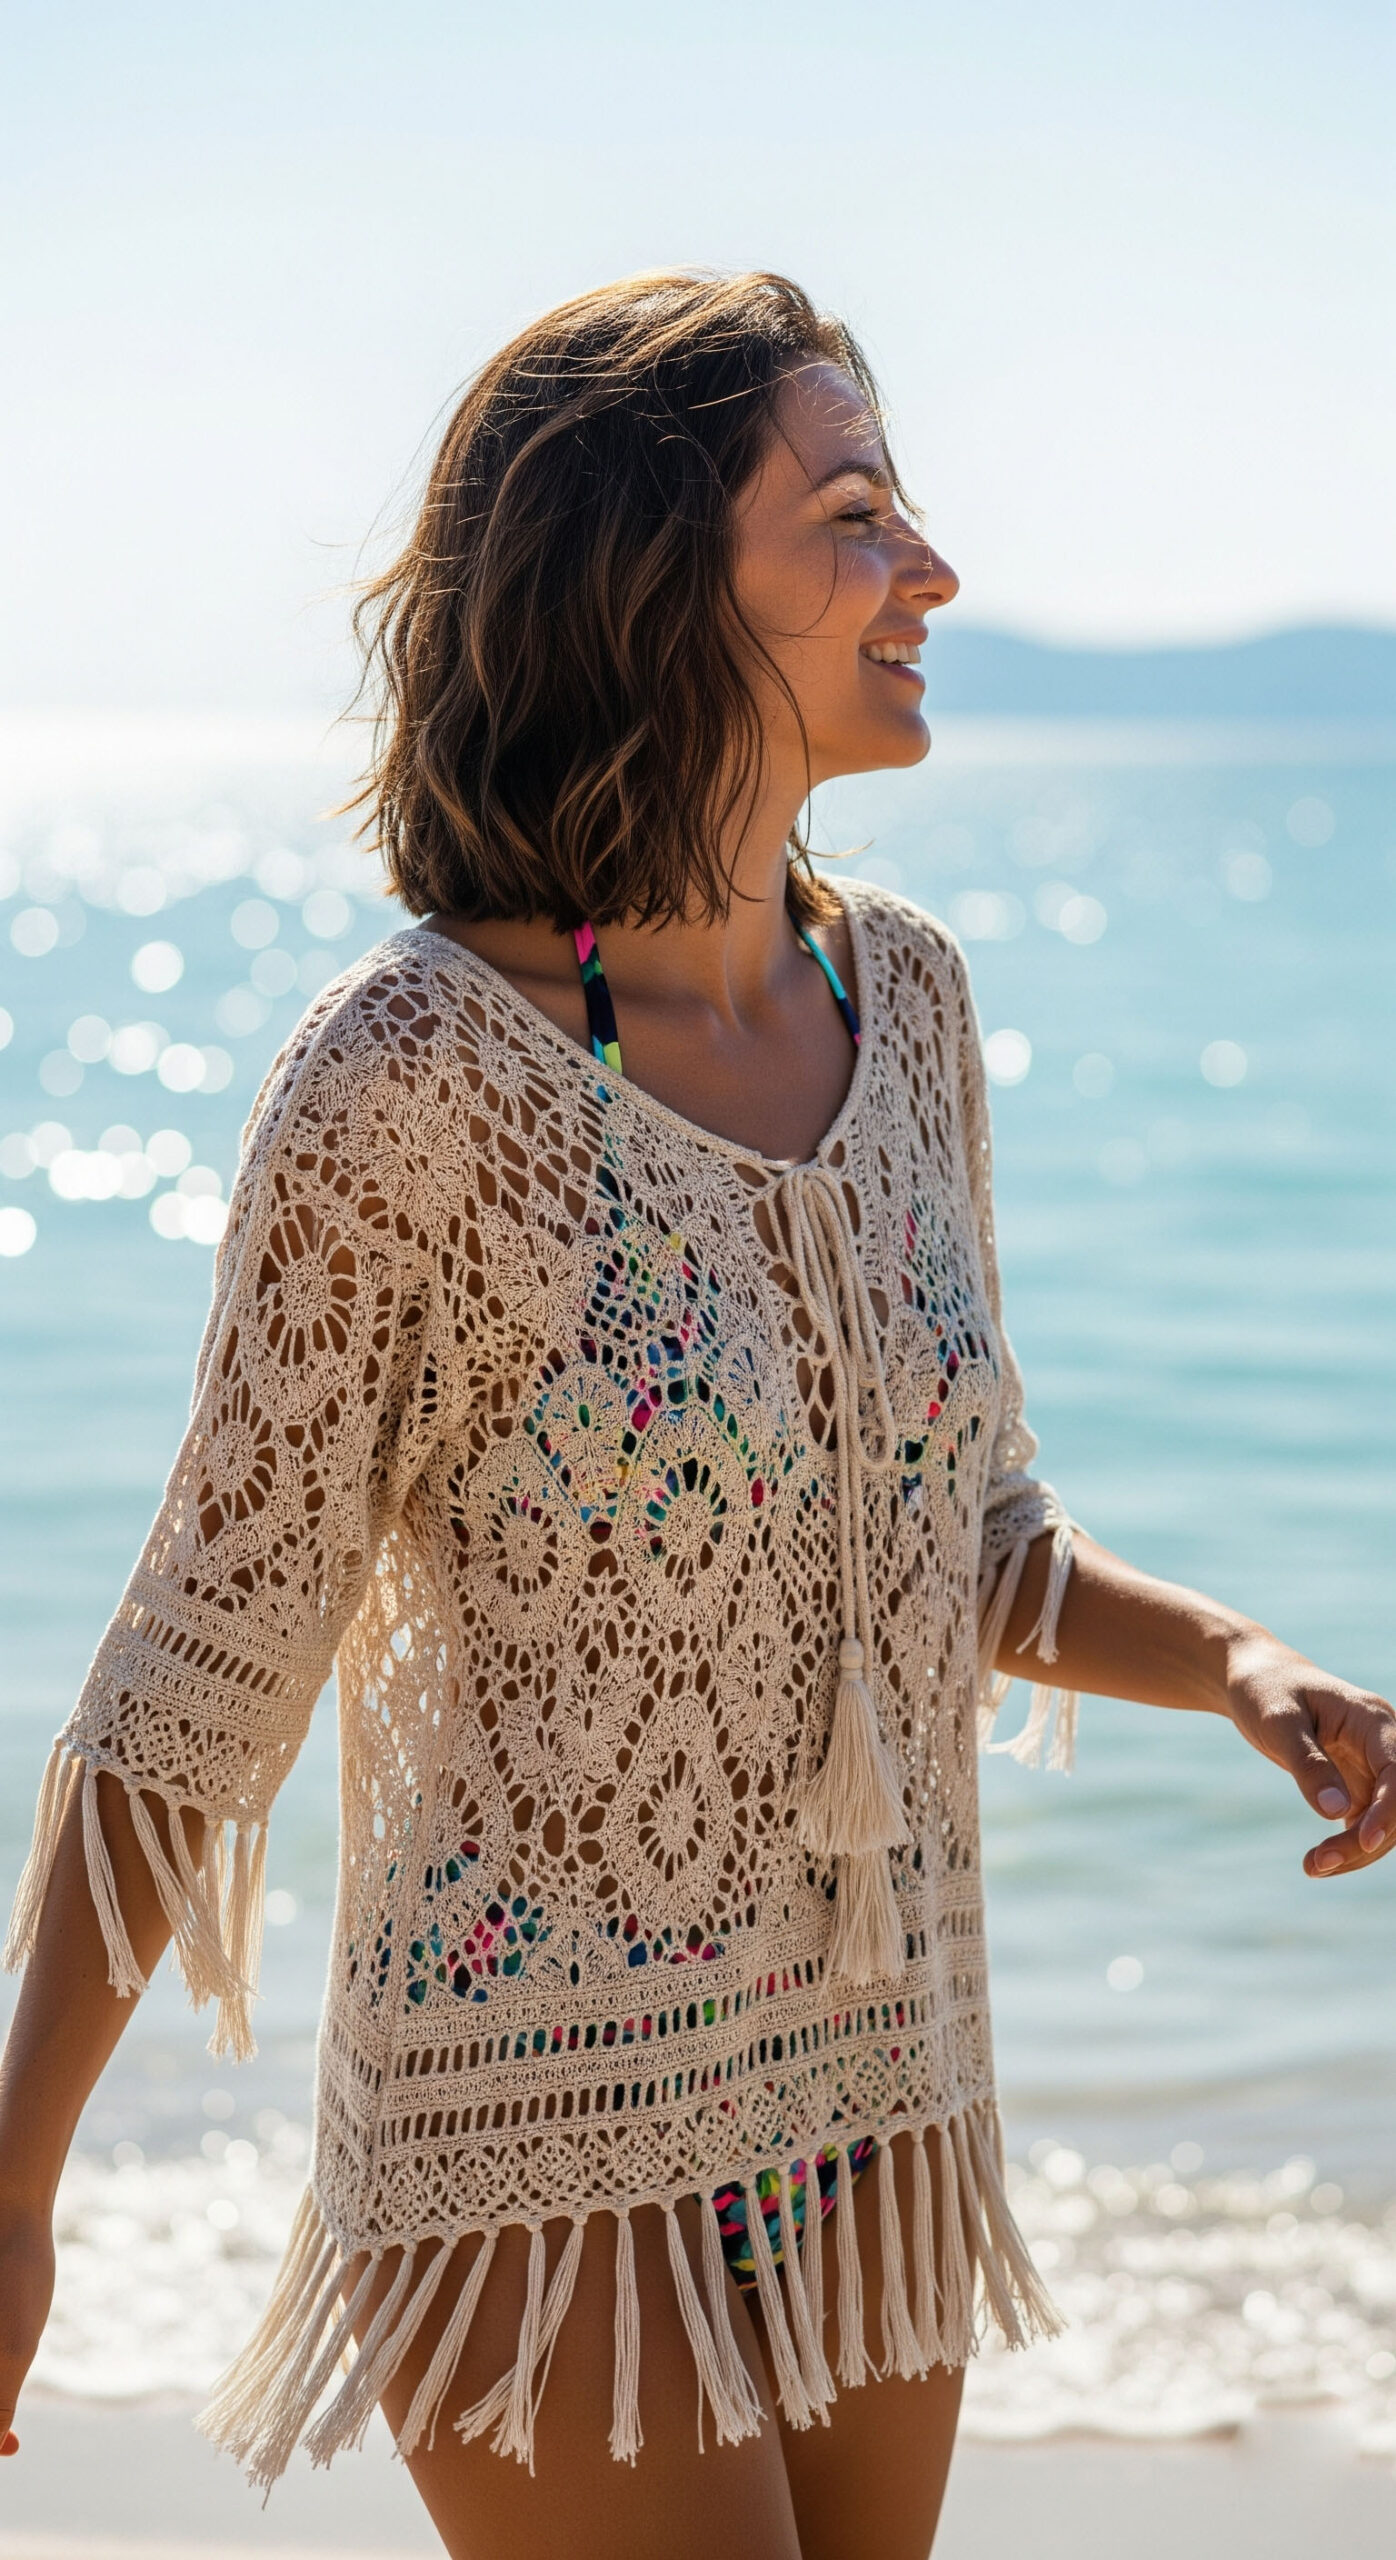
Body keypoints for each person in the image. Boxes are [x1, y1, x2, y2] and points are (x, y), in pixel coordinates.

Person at [0, 270, 1391, 2560]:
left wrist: (1235, 1661)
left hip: (870, 2091)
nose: (928, 569)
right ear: (656, 588)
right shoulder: (417, 1078)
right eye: (853, 515)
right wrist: (16, 2184)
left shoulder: (906, 1002)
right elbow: (199, 1670)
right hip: (535, 2125)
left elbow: (955, 1531)